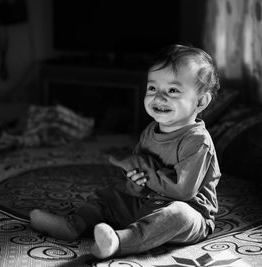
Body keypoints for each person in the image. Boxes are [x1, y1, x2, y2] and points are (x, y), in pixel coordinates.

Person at [29, 44, 221, 259]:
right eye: (152, 88)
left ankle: (119, 241)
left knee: (178, 215)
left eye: (173, 90)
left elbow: (183, 190)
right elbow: (137, 176)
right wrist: (135, 181)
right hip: (148, 202)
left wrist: (144, 172)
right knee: (110, 197)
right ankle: (71, 225)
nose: (159, 97)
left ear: (201, 101)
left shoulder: (197, 141)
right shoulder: (151, 130)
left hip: (189, 211)